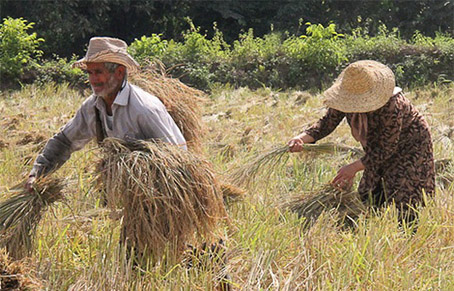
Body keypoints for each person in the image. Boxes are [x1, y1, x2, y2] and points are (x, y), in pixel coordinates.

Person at [26, 37, 187, 190]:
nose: (93, 79)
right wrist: (38, 174)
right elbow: (64, 142)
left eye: (98, 72)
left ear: (119, 72)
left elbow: (173, 160)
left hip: (159, 191)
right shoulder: (92, 107)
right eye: (89, 73)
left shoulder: (145, 109)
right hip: (127, 190)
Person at [288, 60, 435, 221]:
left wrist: (353, 168)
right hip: (376, 148)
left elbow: (385, 148)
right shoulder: (344, 99)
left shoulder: (392, 105)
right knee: (369, 194)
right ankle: (371, 230)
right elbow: (326, 123)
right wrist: (301, 138)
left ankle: (407, 237)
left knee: (405, 198)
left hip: (410, 148)